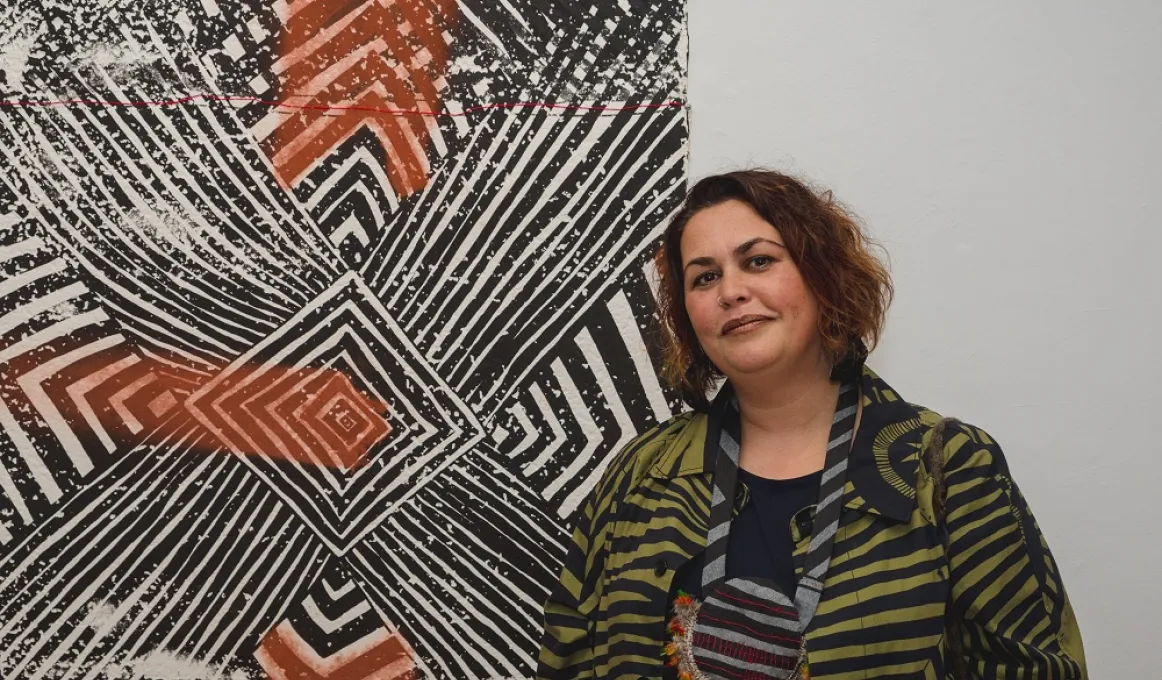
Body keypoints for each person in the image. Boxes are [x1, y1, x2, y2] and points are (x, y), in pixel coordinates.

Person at [535, 170, 1087, 680]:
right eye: (704, 277)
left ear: (823, 276)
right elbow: (567, 661)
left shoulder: (946, 469)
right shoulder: (640, 476)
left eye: (758, 261)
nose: (730, 291)